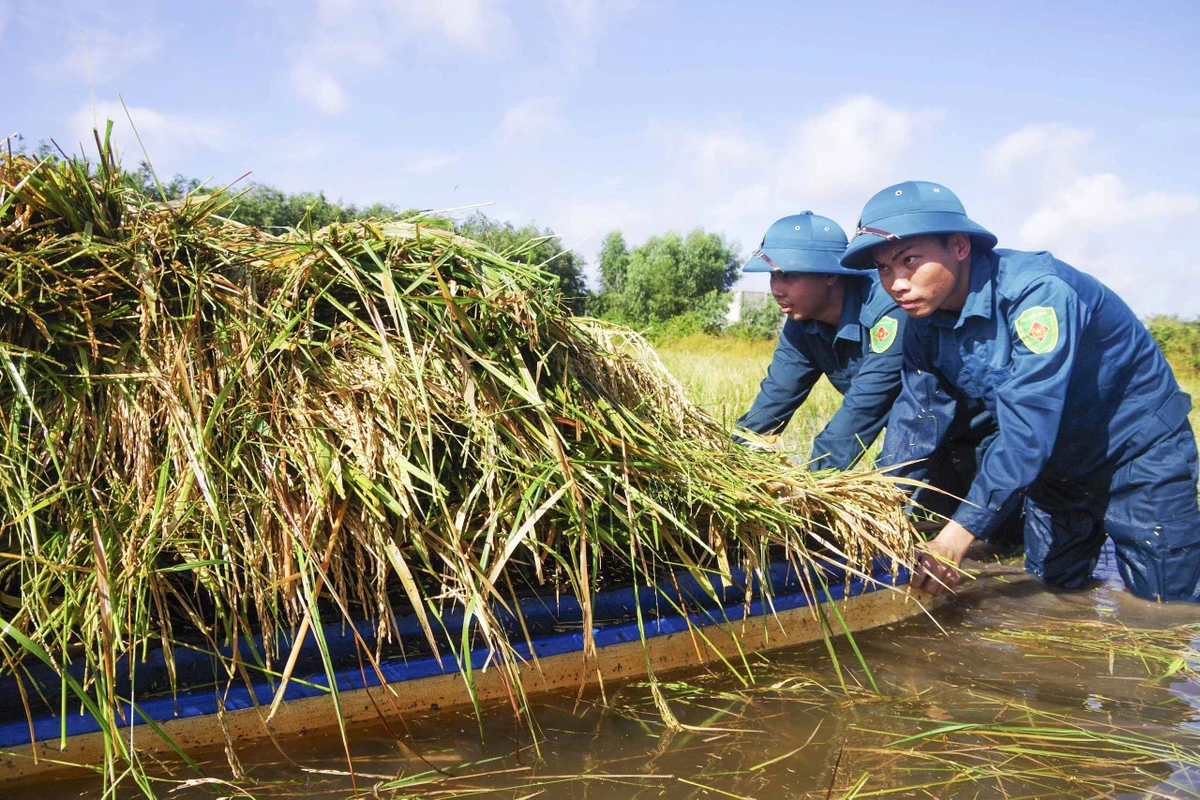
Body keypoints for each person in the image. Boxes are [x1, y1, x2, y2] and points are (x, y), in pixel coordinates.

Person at [840, 180, 1200, 602]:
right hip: (1055, 468)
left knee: (1163, 608)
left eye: (910, 260)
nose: (896, 282)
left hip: (1137, 457)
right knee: (1052, 591)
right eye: (884, 269)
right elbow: (917, 420)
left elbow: (1027, 427)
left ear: (959, 246)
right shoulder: (923, 321)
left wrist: (954, 540)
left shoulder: (1037, 296)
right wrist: (876, 512)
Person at [735, 212, 904, 470]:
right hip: (908, 427)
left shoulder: (887, 307)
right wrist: (732, 459)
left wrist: (814, 487)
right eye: (773, 276)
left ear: (830, 275)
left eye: (789, 276)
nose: (777, 289)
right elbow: (776, 398)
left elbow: (865, 406)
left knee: (903, 492)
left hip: (950, 428)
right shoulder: (802, 321)